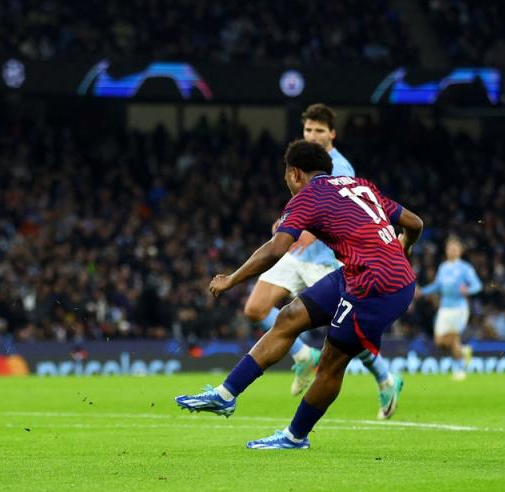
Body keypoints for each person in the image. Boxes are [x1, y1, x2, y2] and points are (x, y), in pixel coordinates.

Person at [175, 140, 423, 449]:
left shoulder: (308, 196)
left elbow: (276, 249)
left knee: (333, 361)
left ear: (294, 173)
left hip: (376, 285)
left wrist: (232, 279)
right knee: (288, 317)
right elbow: (414, 223)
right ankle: (225, 395)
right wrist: (405, 246)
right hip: (364, 273)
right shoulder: (359, 185)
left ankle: (295, 436)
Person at [243, 103, 402, 419]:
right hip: (297, 253)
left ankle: (386, 377)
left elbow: (338, 212)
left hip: (328, 261)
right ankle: (303, 355)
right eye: (308, 130)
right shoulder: (303, 161)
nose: (312, 135)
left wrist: (300, 232)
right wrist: (284, 226)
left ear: (332, 133)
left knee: (346, 332)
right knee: (255, 309)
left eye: (319, 130)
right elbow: (302, 203)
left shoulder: (340, 167)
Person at [417, 237, 483, 380]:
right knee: (439, 341)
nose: (452, 251)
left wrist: (468, 290)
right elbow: (437, 286)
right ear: (446, 250)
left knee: (453, 338)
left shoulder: (465, 268)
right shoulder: (443, 267)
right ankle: (464, 350)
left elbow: (478, 285)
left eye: (455, 248)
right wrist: (422, 291)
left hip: (459, 308)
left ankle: (459, 370)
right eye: (450, 248)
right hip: (444, 309)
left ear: (460, 251)